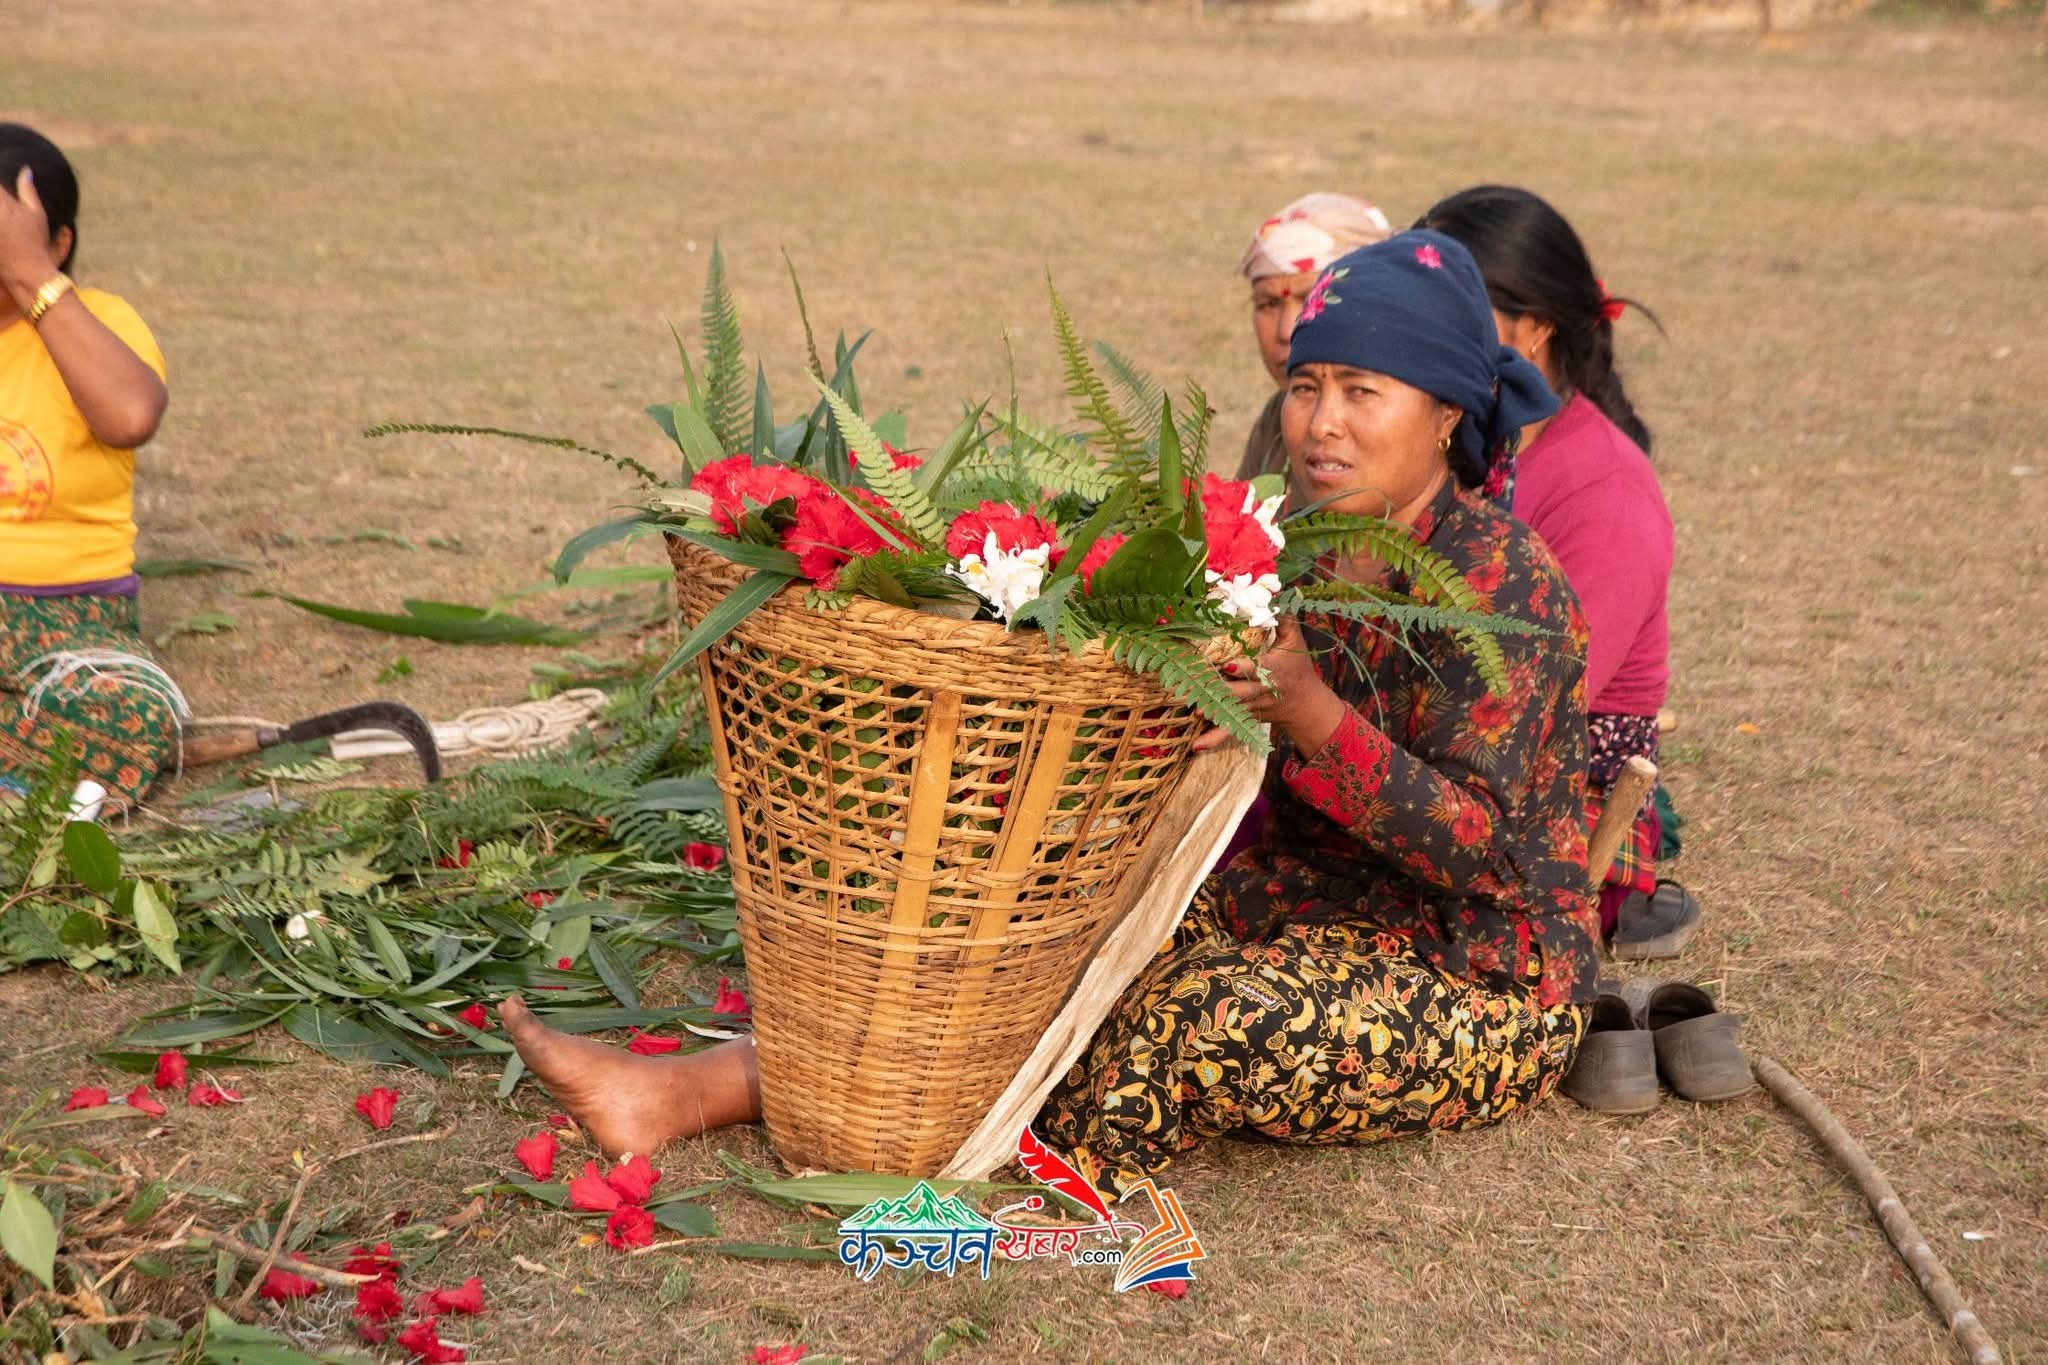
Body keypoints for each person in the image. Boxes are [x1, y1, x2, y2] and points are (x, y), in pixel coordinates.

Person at [501, 232, 1600, 1206]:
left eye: (1364, 391)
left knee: (1197, 1009)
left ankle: (963, 1170)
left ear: (1447, 409)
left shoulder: (1501, 587)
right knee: (1048, 929)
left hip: (1485, 976)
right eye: (1308, 386)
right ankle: (700, 1092)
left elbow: (1475, 851)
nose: (1320, 424)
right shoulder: (1298, 553)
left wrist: (1304, 710)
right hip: (1315, 905)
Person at [1415, 185, 1689, 954]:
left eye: (1454, 308)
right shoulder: (1463, 442)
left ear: (1533, 328)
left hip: (1542, 800)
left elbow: (1530, 712)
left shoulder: (1607, 491)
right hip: (1436, 751)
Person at [0, 124, 179, 811]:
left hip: (71, 623)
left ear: (60, 243)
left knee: (133, 712)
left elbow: (131, 416)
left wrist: (30, 278)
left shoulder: (102, 321)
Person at [1232, 192, 1390, 491]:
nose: (1286, 331)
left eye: (1313, 299)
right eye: (1268, 304)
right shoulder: (1276, 421)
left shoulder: (1401, 417)